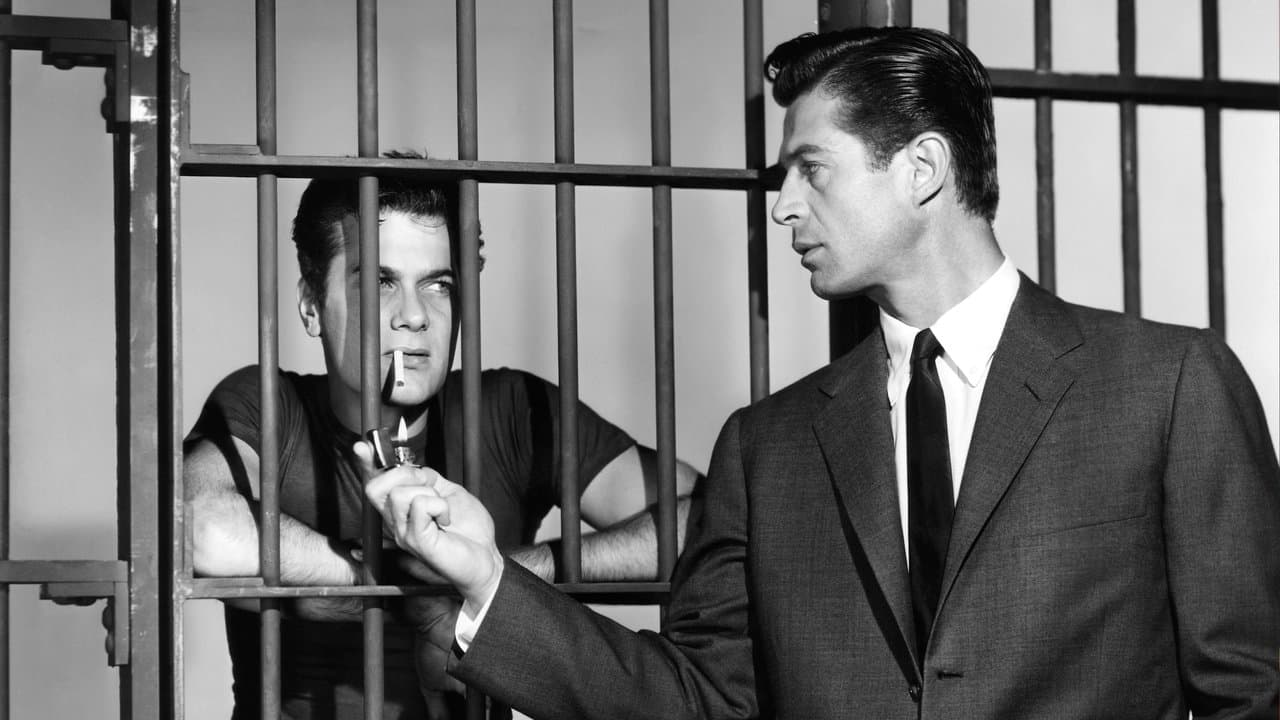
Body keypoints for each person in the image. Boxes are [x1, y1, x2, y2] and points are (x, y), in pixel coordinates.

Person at [362, 28, 1280, 720]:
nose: (783, 206)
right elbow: (697, 699)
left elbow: (1251, 691)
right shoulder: (767, 449)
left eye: (811, 168)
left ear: (923, 168)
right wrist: (488, 581)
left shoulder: (1169, 386)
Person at [185, 150, 701, 720]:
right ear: (311, 305)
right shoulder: (270, 404)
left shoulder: (513, 410)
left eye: (437, 284)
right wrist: (394, 585)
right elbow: (199, 527)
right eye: (380, 281)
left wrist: (496, 577)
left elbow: (710, 521)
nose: (414, 315)